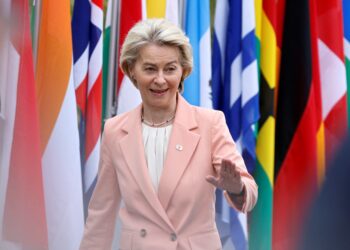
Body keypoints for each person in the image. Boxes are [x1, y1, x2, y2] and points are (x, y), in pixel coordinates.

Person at [79, 19, 258, 250]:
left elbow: (249, 191)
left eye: (170, 69)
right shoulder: (115, 130)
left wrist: (237, 188)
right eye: (150, 68)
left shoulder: (210, 123)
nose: (160, 79)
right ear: (132, 69)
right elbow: (100, 215)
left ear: (183, 71)